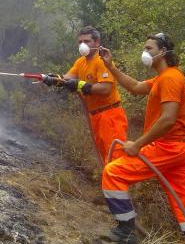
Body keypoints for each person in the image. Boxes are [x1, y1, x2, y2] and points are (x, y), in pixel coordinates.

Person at [99, 33, 185, 244]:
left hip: (170, 146)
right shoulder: (165, 77)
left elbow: (168, 119)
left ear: (163, 52)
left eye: (149, 48)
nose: (145, 52)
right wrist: (110, 66)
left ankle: (126, 232)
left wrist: (138, 144)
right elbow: (134, 87)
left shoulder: (170, 78)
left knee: (113, 173)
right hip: (182, 148)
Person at [43, 26, 128, 164]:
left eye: (87, 41)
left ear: (97, 42)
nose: (83, 45)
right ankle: (109, 185)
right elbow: (67, 78)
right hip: (95, 116)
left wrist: (81, 85)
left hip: (110, 115)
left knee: (115, 159)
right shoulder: (80, 62)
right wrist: (53, 79)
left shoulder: (102, 61)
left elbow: (106, 88)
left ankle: (117, 184)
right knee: (105, 158)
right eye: (80, 42)